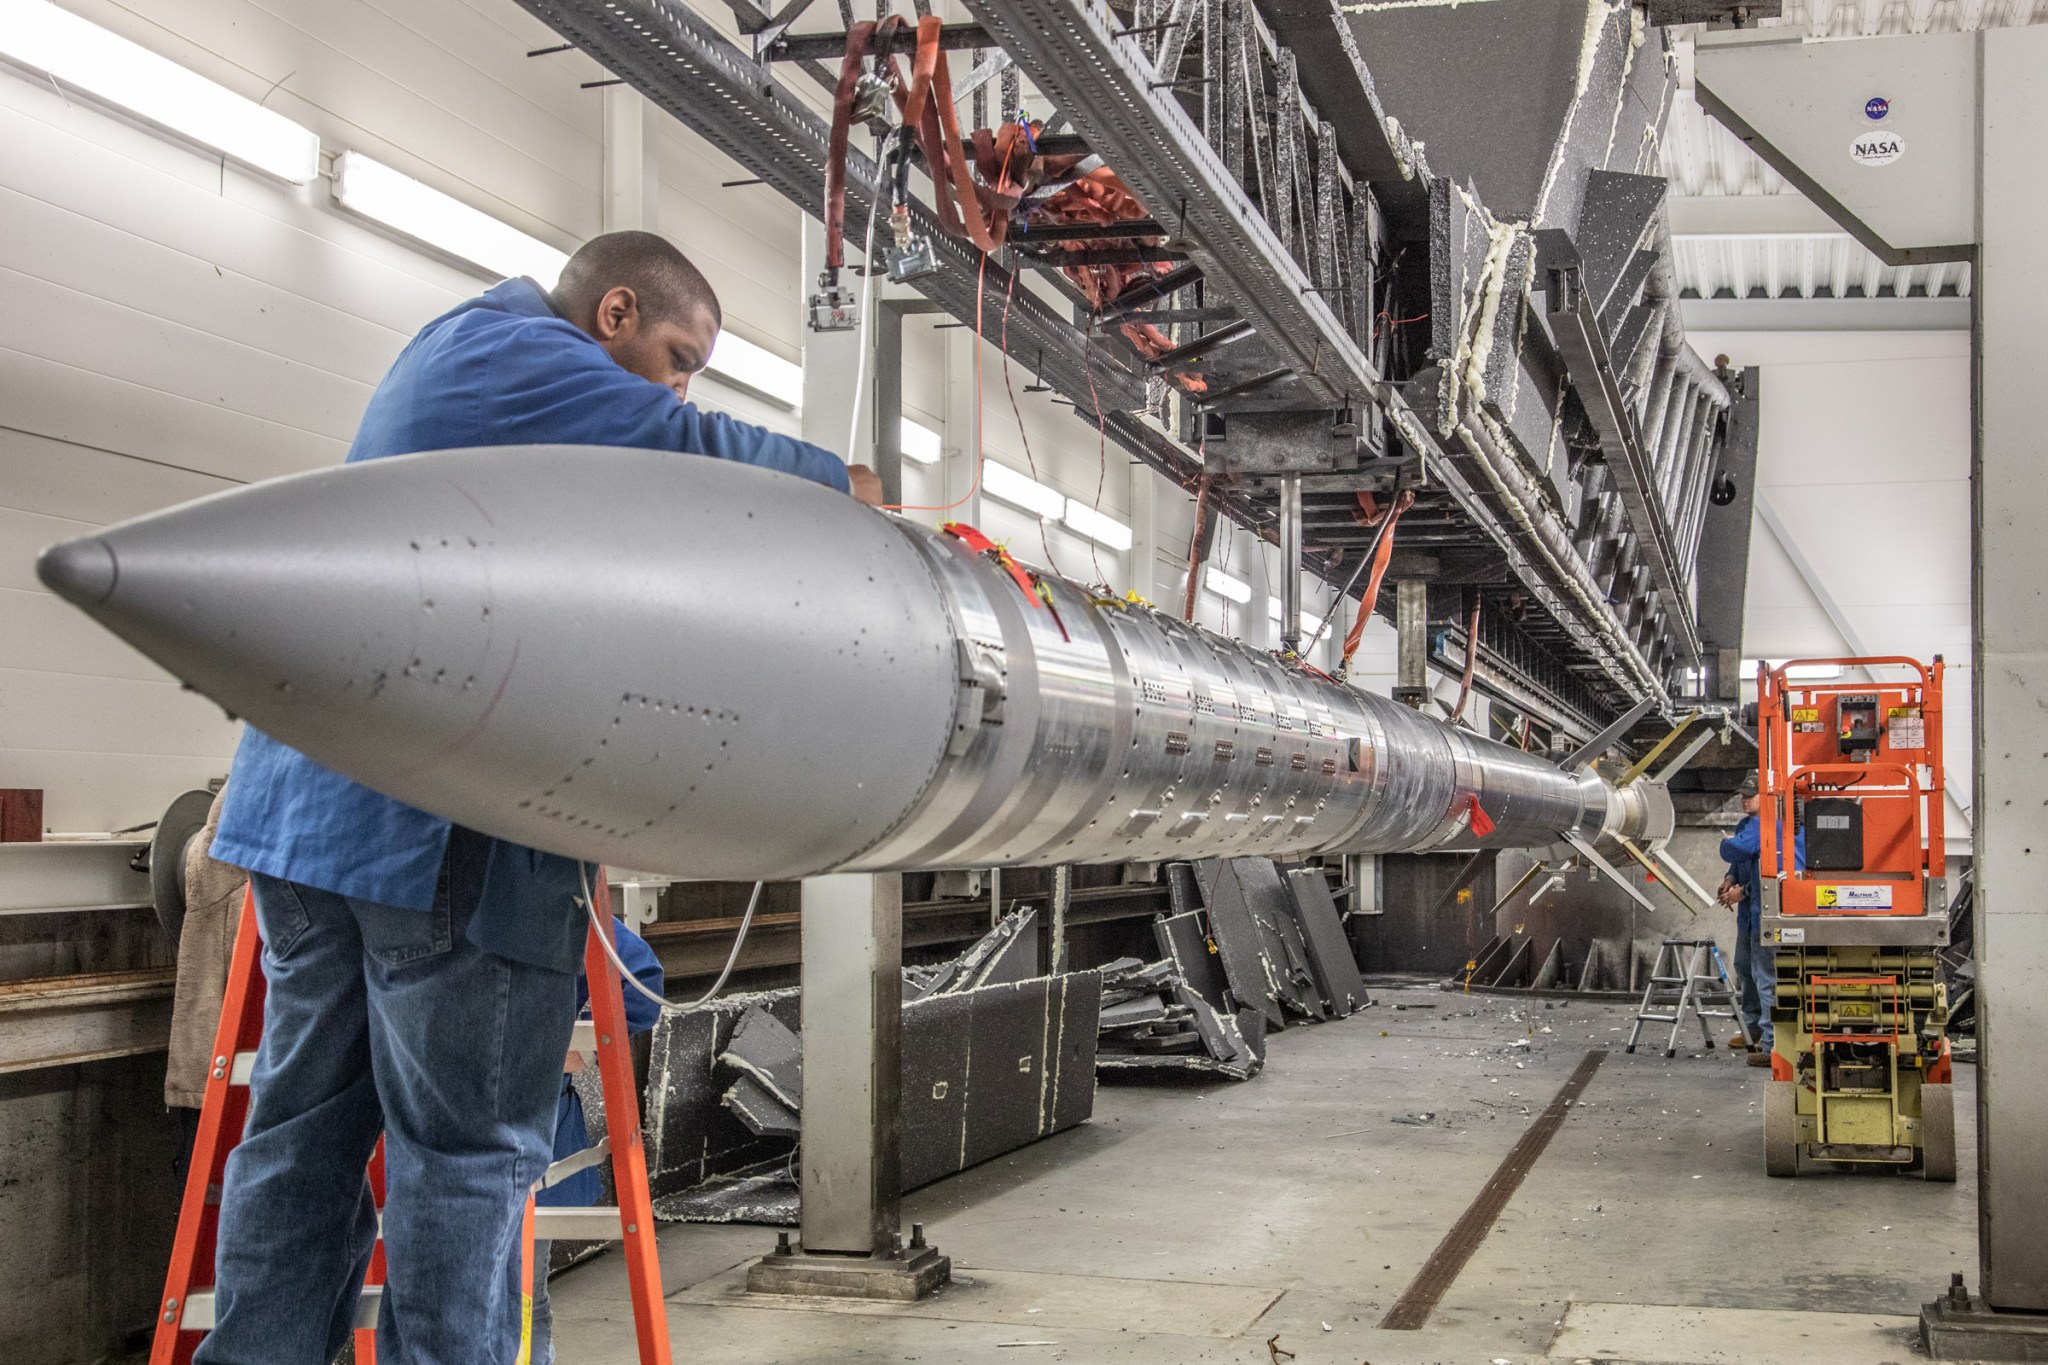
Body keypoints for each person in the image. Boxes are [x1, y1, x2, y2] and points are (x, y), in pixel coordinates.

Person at [197, 232, 877, 1365]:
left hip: (308, 821)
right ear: (612, 312)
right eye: (675, 352)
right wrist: (846, 491)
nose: (679, 382)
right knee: (465, 1157)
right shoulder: (510, 355)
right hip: (432, 837)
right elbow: (693, 448)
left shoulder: (469, 373)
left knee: (304, 1140)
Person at [531, 918, 664, 1365]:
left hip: (531, 1127)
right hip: (433, 1134)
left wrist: (578, 1044)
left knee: (520, 1298)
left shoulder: (553, 889)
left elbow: (642, 981)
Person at [1718, 771, 1805, 1067]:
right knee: (1747, 967)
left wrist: (1744, 888)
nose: (1744, 800)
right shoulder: (1752, 824)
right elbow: (1742, 858)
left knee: (1767, 978)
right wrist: (1731, 876)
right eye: (1742, 795)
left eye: (1750, 795)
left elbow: (1746, 852)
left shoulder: (1770, 826)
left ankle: (1772, 1046)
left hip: (1767, 912)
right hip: (1753, 913)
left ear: (1768, 798)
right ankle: (1754, 1028)